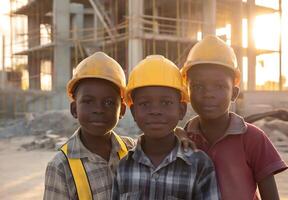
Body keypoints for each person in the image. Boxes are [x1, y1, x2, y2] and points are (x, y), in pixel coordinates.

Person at [180, 35, 288, 200]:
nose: (208, 94)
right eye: (198, 86)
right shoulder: (185, 138)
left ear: (234, 93)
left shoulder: (253, 138)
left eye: (219, 86)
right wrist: (178, 133)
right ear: (188, 92)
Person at [112, 55, 220, 200]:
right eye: (145, 104)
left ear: (181, 110)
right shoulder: (123, 167)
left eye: (165, 103)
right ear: (133, 112)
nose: (155, 111)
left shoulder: (199, 165)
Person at [43, 52, 135, 200]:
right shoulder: (61, 166)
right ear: (74, 109)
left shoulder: (133, 150)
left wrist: (183, 133)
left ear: (122, 110)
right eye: (88, 101)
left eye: (109, 102)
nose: (98, 109)